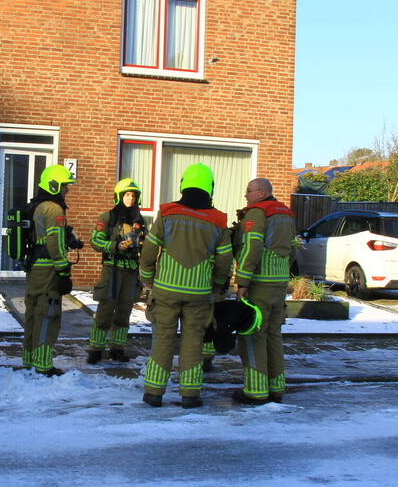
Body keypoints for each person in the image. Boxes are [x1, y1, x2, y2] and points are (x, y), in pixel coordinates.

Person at [138, 163, 233, 408]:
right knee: (193, 343)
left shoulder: (167, 213)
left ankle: (154, 393)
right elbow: (224, 260)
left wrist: (147, 280)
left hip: (166, 290)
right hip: (199, 294)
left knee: (163, 340)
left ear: (183, 184)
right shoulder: (218, 220)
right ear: (210, 187)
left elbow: (149, 250)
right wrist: (217, 286)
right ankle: (190, 395)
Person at [232, 177, 297, 405]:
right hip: (279, 283)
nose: (245, 196)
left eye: (248, 191)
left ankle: (256, 390)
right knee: (274, 335)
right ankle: (276, 387)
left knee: (253, 335)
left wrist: (243, 281)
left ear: (261, 192)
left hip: (259, 283)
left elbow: (252, 247)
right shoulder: (286, 214)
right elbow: (294, 249)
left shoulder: (258, 212)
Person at [22, 164, 77, 377]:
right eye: (65, 186)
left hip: (35, 266)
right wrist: (63, 270)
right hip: (48, 269)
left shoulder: (38, 206)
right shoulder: (54, 208)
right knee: (48, 314)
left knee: (33, 314)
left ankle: (29, 360)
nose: (67, 190)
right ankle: (44, 365)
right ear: (54, 186)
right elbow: (54, 241)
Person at [86, 178, 147, 364]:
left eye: (133, 195)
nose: (131, 199)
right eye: (127, 195)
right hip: (112, 269)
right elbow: (95, 241)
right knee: (105, 309)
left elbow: (145, 244)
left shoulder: (139, 220)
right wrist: (114, 245)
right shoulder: (107, 218)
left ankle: (117, 349)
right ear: (119, 196)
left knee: (124, 311)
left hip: (131, 271)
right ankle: (96, 349)